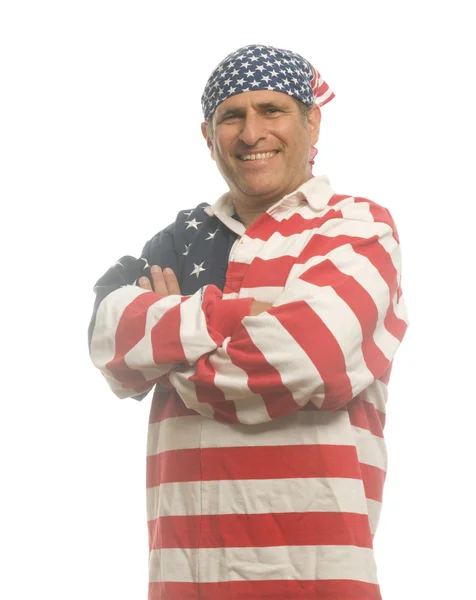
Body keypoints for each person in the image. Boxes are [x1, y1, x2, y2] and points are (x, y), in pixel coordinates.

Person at [89, 43, 409, 600]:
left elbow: (308, 362)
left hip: (316, 577)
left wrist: (169, 356)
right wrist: (234, 315)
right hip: (187, 578)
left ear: (311, 121)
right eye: (230, 116)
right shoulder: (181, 238)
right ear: (208, 136)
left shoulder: (357, 228)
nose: (250, 132)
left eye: (272, 110)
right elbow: (110, 342)